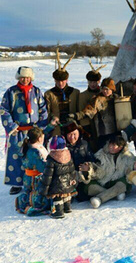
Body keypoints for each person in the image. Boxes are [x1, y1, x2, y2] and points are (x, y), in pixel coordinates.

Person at [1, 66, 49, 195]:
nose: (25, 79)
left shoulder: (37, 91)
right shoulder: (11, 92)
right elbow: (4, 110)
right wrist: (11, 126)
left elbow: (43, 110)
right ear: (18, 77)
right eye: (22, 77)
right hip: (18, 131)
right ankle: (16, 183)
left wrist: (40, 127)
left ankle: (36, 180)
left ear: (31, 77)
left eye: (27, 77)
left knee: (35, 155)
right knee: (17, 155)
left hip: (33, 131)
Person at [79, 136, 136, 209]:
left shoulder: (127, 155)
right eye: (110, 144)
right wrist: (89, 168)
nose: (110, 147)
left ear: (120, 147)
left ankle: (99, 199)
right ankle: (114, 194)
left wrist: (135, 166)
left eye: (114, 145)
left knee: (123, 184)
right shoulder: (101, 154)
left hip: (116, 180)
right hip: (103, 181)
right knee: (89, 187)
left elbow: (132, 162)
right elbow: (96, 167)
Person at [71, 78, 119, 149]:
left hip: (116, 131)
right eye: (103, 89)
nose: (105, 91)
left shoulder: (117, 99)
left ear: (112, 89)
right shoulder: (97, 100)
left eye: (107, 89)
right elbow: (88, 111)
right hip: (103, 132)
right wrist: (76, 116)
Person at [15, 127, 52, 216]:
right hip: (35, 179)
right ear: (39, 139)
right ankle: (29, 204)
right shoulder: (34, 152)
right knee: (41, 198)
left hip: (28, 177)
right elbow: (41, 167)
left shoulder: (28, 147)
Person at [40, 136, 77, 219]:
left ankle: (59, 212)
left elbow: (48, 176)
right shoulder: (68, 155)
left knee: (58, 198)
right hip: (68, 183)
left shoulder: (52, 158)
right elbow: (72, 170)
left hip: (56, 185)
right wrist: (73, 179)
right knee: (67, 195)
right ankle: (67, 208)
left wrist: (44, 189)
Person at [44, 51, 80, 135]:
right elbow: (46, 112)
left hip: (72, 128)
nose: (60, 84)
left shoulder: (75, 92)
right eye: (58, 81)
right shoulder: (49, 94)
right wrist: (52, 117)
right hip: (56, 128)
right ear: (54, 80)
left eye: (63, 81)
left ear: (67, 80)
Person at [62, 121, 95, 201]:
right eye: (70, 134)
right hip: (69, 177)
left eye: (74, 134)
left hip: (82, 176)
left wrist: (88, 167)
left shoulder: (84, 144)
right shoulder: (62, 147)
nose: (72, 137)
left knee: (83, 197)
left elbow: (92, 159)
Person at [78, 61, 104, 151]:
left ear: (99, 81)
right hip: (90, 128)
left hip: (104, 127)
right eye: (91, 82)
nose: (93, 84)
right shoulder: (82, 96)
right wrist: (86, 129)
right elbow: (82, 114)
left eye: (95, 82)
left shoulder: (104, 94)